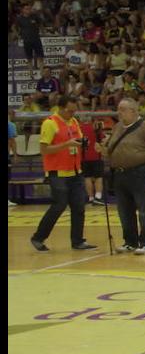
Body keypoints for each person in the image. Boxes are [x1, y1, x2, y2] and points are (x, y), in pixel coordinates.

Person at [29, 96, 96, 252]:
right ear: (60, 107)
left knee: (79, 206)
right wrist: (66, 144)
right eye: (69, 110)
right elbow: (44, 150)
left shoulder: (73, 122)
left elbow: (78, 140)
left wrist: (84, 143)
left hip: (75, 170)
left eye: (74, 111)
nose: (72, 113)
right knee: (59, 205)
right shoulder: (50, 123)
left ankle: (78, 241)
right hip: (57, 172)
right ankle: (38, 237)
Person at [102, 98, 145, 254]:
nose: (119, 113)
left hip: (140, 172)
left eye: (123, 109)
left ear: (134, 111)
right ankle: (130, 241)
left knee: (144, 209)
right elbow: (109, 149)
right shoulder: (117, 127)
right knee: (124, 210)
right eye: (118, 109)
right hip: (120, 173)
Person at [82, 115, 107, 206]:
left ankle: (90, 197)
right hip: (96, 156)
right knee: (98, 177)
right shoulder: (95, 127)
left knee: (87, 177)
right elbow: (103, 139)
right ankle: (98, 197)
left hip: (84, 157)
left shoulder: (80, 128)